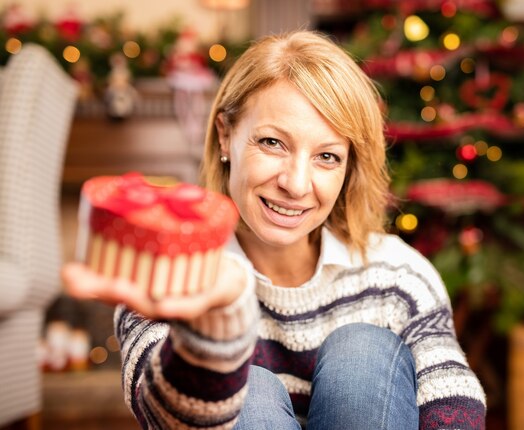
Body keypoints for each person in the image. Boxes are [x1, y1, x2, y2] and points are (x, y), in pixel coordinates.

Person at [63, 30, 486, 429]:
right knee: (248, 389)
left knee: (361, 352)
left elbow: (453, 399)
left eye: (327, 157)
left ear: (348, 168)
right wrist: (212, 329)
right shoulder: (168, 271)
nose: (296, 184)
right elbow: (167, 419)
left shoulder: (397, 275)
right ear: (226, 136)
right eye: (272, 143)